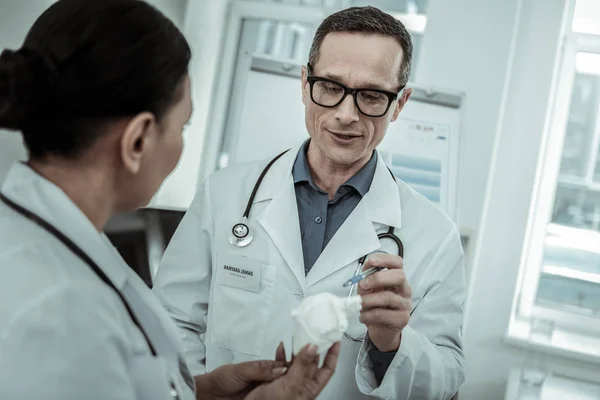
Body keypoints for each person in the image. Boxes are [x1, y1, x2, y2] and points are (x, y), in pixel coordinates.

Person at [0, 0, 339, 399]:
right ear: (138, 140)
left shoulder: (48, 243)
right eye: (183, 126)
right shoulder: (62, 309)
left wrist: (201, 391)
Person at [153, 5, 466, 400]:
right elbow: (168, 323)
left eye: (371, 96)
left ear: (399, 104)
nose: (346, 115)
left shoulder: (434, 236)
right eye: (331, 88)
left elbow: (447, 380)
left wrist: (392, 343)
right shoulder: (225, 194)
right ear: (305, 83)